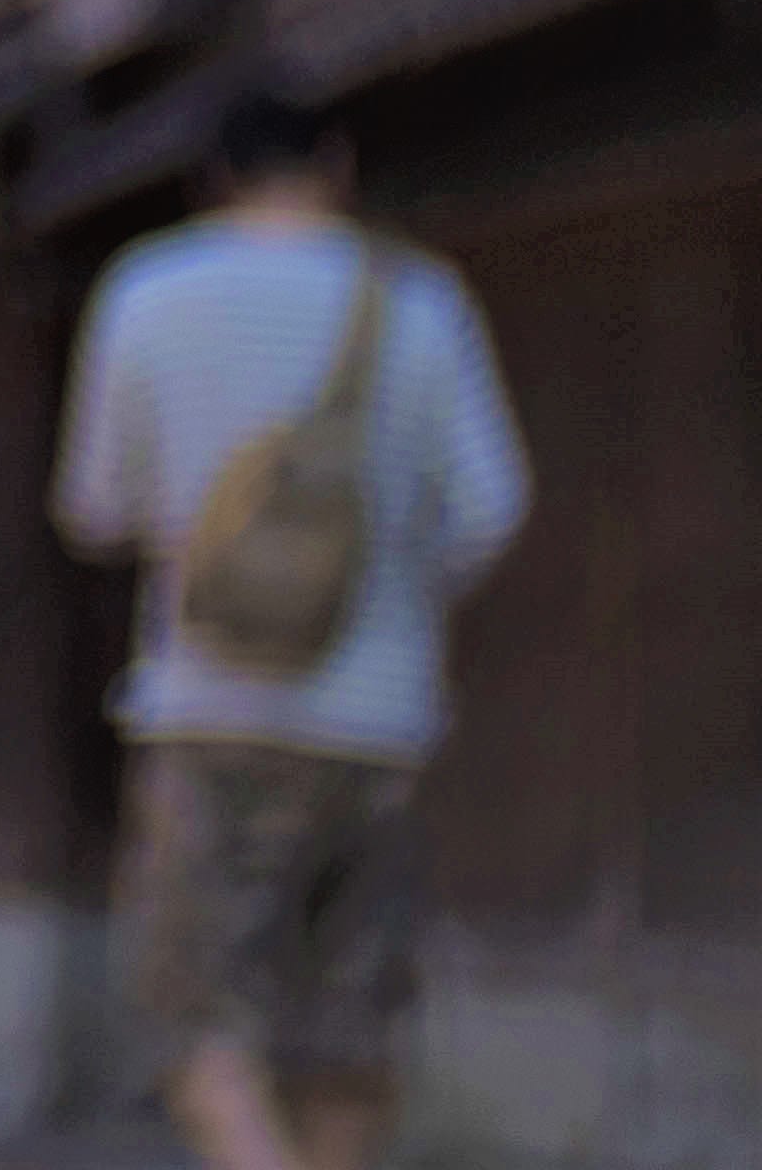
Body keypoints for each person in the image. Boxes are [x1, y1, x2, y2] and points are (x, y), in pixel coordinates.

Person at [54, 88, 531, 1170]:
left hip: (204, 711)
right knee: (349, 1038)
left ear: (214, 179)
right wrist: (397, 596)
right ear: (339, 163)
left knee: (193, 1017)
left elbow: (94, 507)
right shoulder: (420, 302)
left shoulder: (148, 290)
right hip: (377, 722)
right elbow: (492, 509)